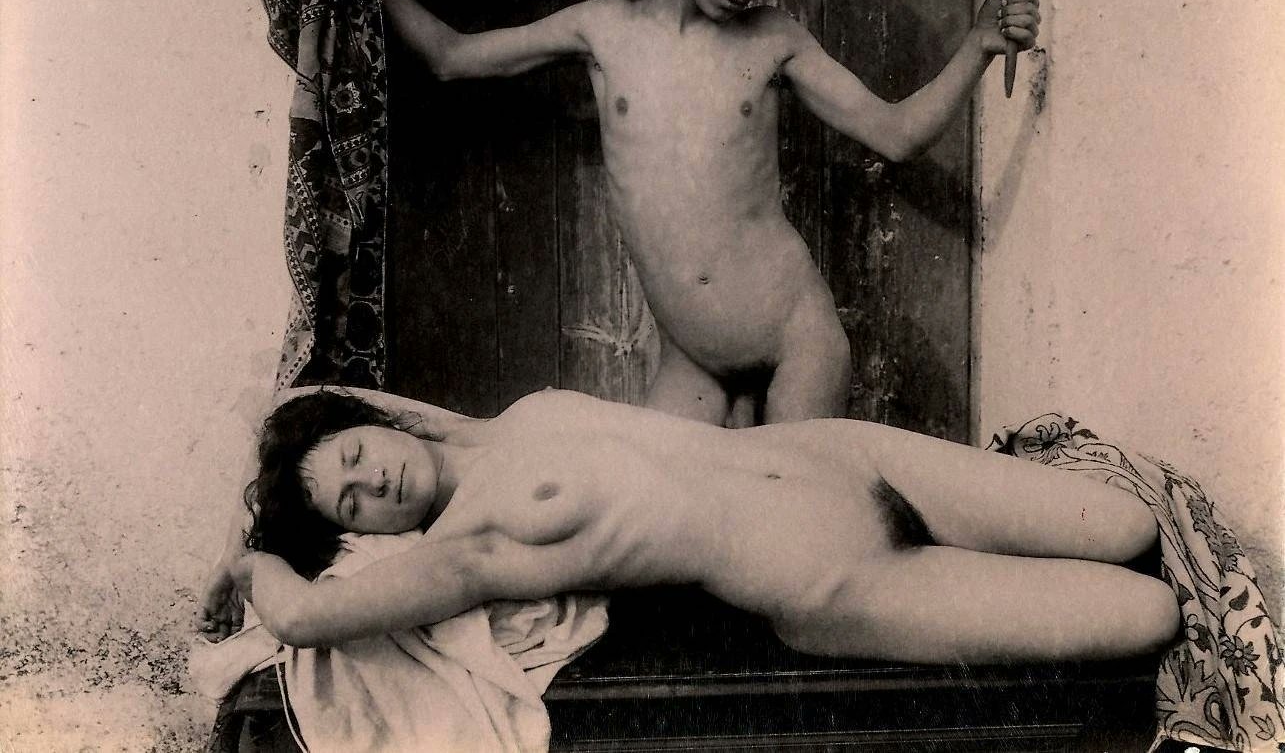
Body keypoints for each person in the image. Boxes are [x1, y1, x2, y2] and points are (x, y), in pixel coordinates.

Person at [371, 0, 1041, 426]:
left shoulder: (774, 39)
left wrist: (978, 45)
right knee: (655, 518)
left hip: (794, 342)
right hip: (691, 361)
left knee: (792, 515)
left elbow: (897, 134)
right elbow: (450, 56)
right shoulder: (602, 31)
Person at [221, 386, 1178, 665]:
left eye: (356, 453)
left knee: (1130, 525)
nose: (374, 480)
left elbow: (316, 402)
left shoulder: (503, 424)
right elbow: (302, 617)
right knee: (1152, 616)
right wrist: (246, 559)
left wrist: (288, 450)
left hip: (843, 455)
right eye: (352, 503)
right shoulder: (468, 546)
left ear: (374, 422)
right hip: (827, 577)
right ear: (364, 533)